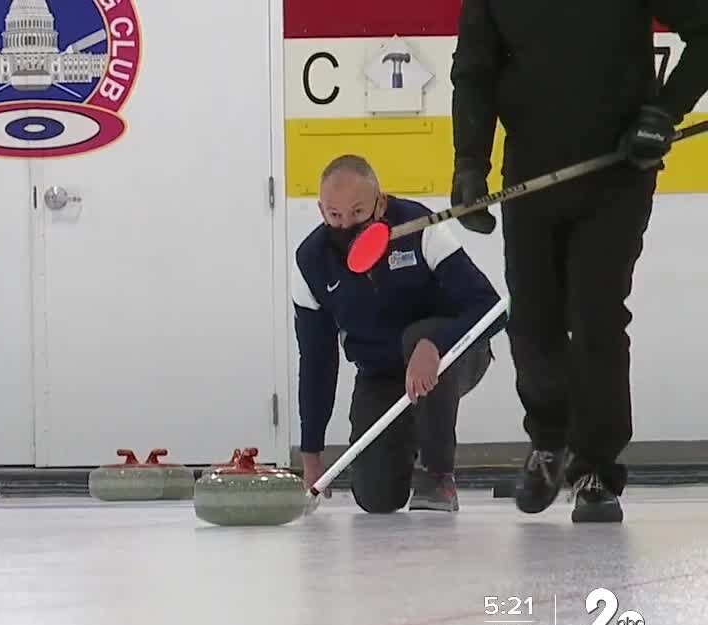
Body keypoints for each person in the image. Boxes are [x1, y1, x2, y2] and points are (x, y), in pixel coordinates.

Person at [450, 0, 708, 522]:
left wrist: (664, 113)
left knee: (596, 314)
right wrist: (469, 163)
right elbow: (474, 72)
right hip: (532, 172)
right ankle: (549, 440)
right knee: (531, 320)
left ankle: (595, 470)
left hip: (618, 167)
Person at [292, 155, 504, 513]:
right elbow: (316, 362)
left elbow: (492, 309)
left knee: (418, 335)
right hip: (381, 372)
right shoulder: (311, 261)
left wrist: (434, 343)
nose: (346, 225)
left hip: (452, 356)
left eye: (358, 213)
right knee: (376, 498)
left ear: (381, 202)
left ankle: (437, 475)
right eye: (334, 216)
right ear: (321, 210)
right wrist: (311, 452)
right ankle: (406, 438)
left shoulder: (420, 227)